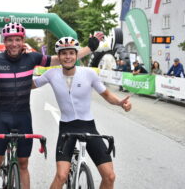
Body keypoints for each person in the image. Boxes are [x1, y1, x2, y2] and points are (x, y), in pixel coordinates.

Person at [0, 22, 104, 189]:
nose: (14, 44)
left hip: (23, 118)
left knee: (23, 163)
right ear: (4, 41)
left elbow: (60, 58)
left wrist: (89, 48)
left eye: (18, 40)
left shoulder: (32, 57)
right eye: (10, 40)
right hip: (0, 117)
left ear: (23, 40)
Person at [32, 37, 131, 189]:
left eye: (71, 53)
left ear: (76, 55)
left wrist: (120, 103)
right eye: (63, 53)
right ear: (58, 57)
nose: (68, 57)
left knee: (110, 176)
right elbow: (29, 84)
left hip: (88, 127)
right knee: (61, 176)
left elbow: (106, 95)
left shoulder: (88, 73)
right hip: (67, 128)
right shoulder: (52, 74)